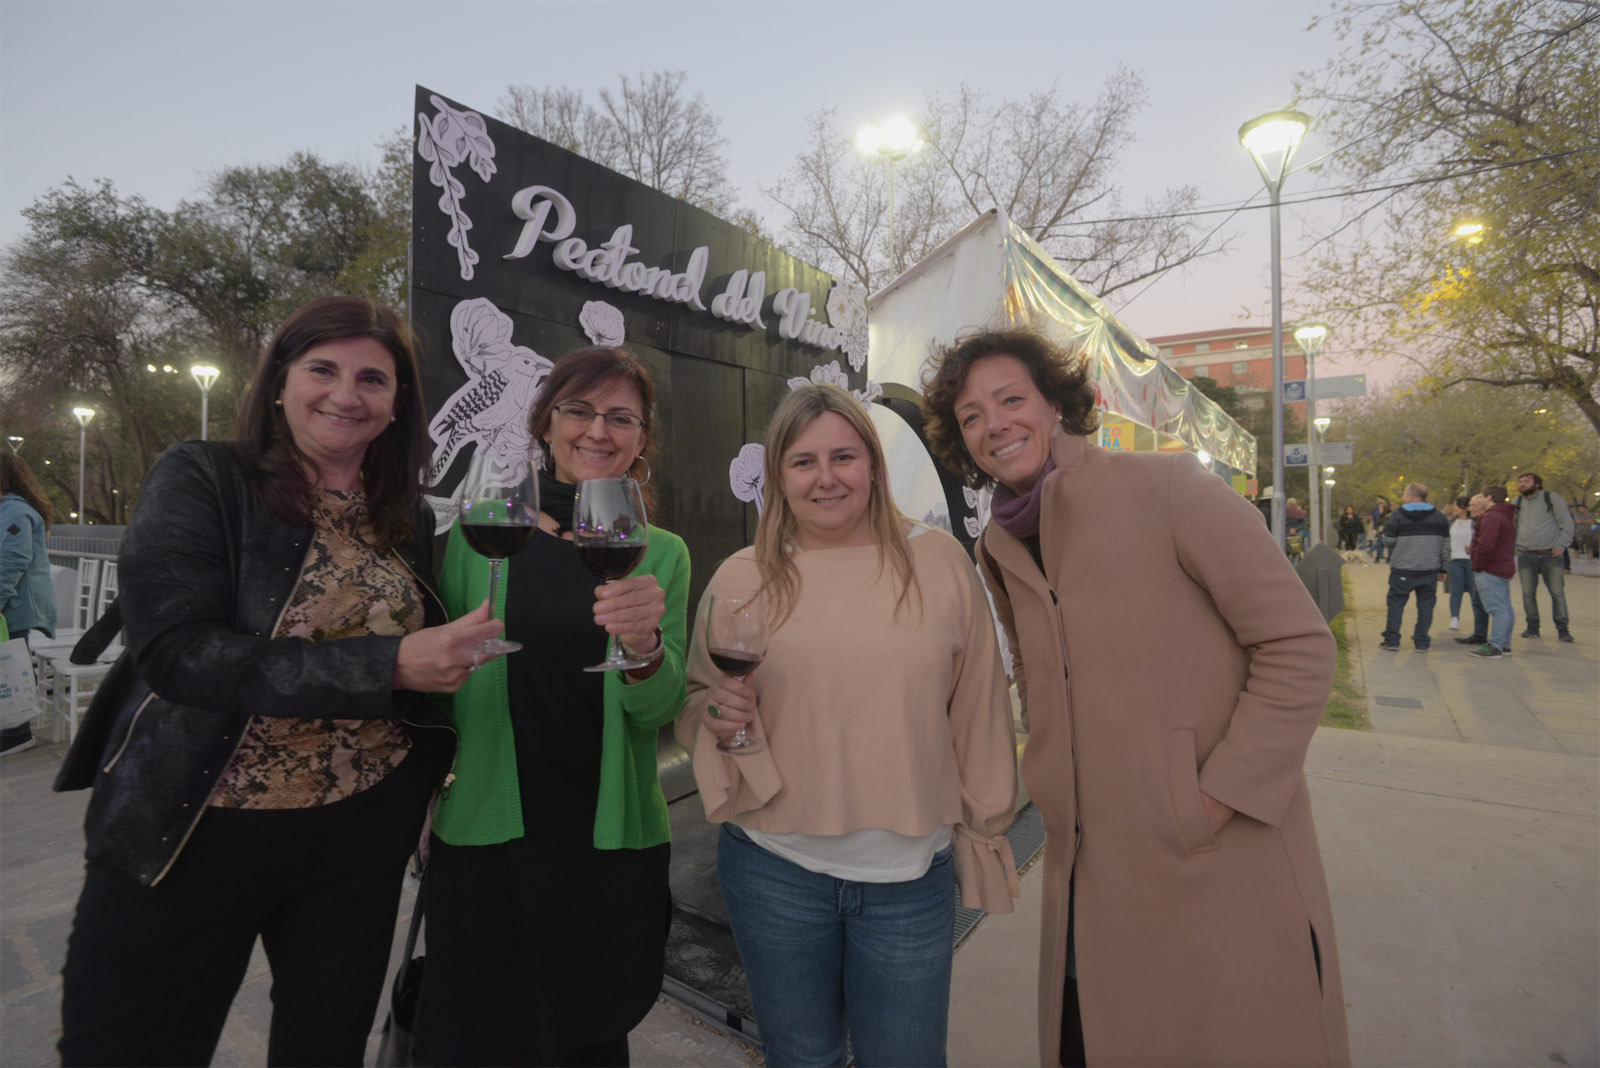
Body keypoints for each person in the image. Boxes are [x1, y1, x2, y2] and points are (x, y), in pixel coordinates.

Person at [53, 295, 505, 1066]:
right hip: (197, 823)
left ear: (397, 403)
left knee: (324, 1049)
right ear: (280, 383)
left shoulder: (406, 518)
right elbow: (177, 654)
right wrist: (390, 663)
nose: (345, 394)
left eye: (372, 379)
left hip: (358, 834)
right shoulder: (204, 477)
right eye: (323, 370)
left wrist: (429, 786)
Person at [920, 328, 1347, 1066]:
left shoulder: (1168, 487)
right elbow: (1037, 670)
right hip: (1087, 868)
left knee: (1230, 1040)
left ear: (1056, 405)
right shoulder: (998, 543)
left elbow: (1298, 645)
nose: (995, 425)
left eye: (1012, 399)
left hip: (1214, 858)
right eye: (972, 416)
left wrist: (1217, 795)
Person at [677, 384, 1018, 1068]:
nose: (826, 478)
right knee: (802, 1058)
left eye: (843, 457)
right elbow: (697, 708)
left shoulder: (939, 562)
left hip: (909, 877)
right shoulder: (740, 576)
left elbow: (979, 709)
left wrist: (985, 828)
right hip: (773, 868)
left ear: (873, 465)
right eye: (803, 462)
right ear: (779, 476)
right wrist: (717, 716)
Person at [416, 345, 689, 1067]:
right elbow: (443, 681)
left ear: (641, 437)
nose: (598, 430)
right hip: (490, 825)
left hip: (603, 834)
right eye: (579, 410)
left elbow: (657, 709)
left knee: (586, 1033)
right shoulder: (482, 530)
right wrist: (426, 794)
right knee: (479, 1031)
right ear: (545, 423)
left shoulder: (660, 551)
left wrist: (645, 648)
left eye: (621, 417)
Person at [1, 451, 57, 756]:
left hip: (14, 605)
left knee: (11, 664)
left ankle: (17, 734)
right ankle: (13, 730)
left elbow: (13, 560)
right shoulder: (8, 510)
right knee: (12, 662)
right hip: (11, 603)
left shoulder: (15, 512)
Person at [1377, 483, 1450, 652]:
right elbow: (1445, 544)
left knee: (1396, 603)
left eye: (1404, 493)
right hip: (1429, 569)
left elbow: (1388, 541)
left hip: (1403, 568)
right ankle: (1421, 642)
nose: (1402, 497)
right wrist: (1443, 568)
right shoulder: (1439, 517)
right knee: (1426, 606)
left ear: (1411, 496)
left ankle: (1392, 640)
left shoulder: (1397, 515)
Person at [1512, 472, 1575, 642]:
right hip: (1526, 554)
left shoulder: (1551, 498)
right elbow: (1512, 525)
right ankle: (1532, 628)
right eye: (1520, 481)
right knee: (1528, 593)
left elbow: (1567, 524)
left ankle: (1563, 629)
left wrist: (1561, 545)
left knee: (1557, 593)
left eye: (1526, 481)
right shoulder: (1517, 502)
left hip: (1550, 554)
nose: (1522, 484)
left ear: (1537, 484)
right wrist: (1515, 545)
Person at [1468, 487, 1517, 658]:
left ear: (1489, 497)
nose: (1479, 499)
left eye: (1481, 496)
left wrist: (1478, 564)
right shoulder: (1504, 515)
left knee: (1497, 609)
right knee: (1505, 607)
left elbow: (1486, 545)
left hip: (1491, 568)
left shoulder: (1492, 517)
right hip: (1503, 566)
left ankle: (1495, 645)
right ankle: (1504, 644)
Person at [1446, 496, 1489, 641]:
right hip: (1455, 560)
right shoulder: (1451, 522)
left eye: (1456, 505)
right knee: (1456, 590)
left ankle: (1478, 624)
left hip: (1471, 561)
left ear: (1464, 508)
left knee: (1474, 593)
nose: (1453, 508)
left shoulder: (1475, 522)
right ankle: (1454, 617)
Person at [1370, 497, 1393, 561]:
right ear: (1378, 504)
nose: (1382, 504)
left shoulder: (1387, 510)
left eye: (1383, 503)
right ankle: (1378, 557)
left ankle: (1389, 557)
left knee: (1388, 542)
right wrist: (1374, 528)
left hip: (1387, 528)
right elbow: (1375, 520)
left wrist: (1385, 498)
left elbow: (1389, 504)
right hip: (1379, 528)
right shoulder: (1375, 511)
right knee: (1380, 542)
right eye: (1380, 503)